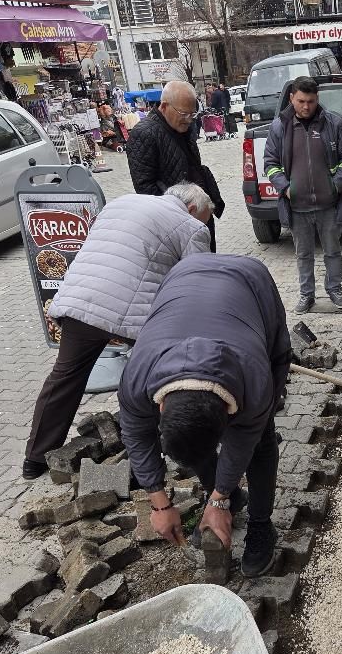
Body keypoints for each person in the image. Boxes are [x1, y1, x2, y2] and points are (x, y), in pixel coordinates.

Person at [117, 254, 291, 578]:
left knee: (261, 438)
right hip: (185, 274)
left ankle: (261, 526)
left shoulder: (254, 382)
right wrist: (159, 502)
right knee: (191, 441)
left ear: (229, 410)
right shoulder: (137, 378)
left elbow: (242, 443)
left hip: (250, 284)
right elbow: (136, 436)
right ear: (161, 406)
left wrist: (218, 499)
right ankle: (228, 497)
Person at [22, 186, 213, 479]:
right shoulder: (190, 227)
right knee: (163, 373)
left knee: (64, 377)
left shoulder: (121, 201)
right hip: (130, 315)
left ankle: (34, 460)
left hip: (80, 302)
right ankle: (168, 446)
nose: (204, 224)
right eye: (205, 218)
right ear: (191, 209)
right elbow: (195, 281)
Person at [263, 76, 342, 314]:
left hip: (329, 205)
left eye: (312, 101)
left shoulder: (333, 123)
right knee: (303, 255)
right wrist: (285, 188)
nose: (306, 107)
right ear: (291, 99)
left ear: (318, 99)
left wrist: (336, 185)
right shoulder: (279, 127)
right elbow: (270, 163)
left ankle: (335, 290)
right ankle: (307, 295)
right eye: (301, 101)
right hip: (297, 208)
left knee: (332, 252)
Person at [126, 79, 225, 252]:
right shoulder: (144, 133)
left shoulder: (185, 127)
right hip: (176, 223)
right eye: (183, 114)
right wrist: (178, 213)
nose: (189, 120)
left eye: (192, 114)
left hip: (199, 214)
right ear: (164, 106)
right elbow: (145, 187)